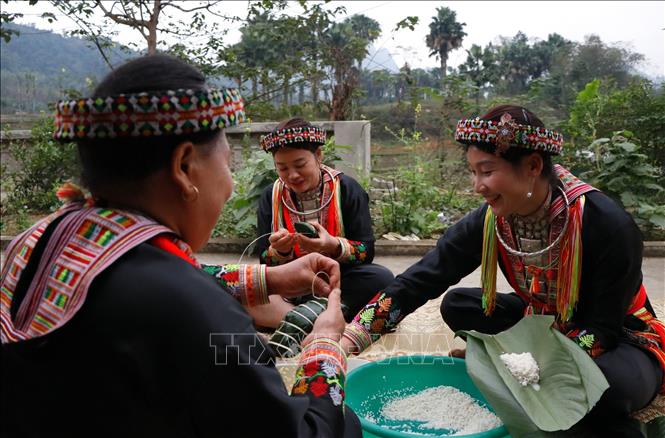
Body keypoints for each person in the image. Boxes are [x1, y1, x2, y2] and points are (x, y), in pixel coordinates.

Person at [1, 55, 361, 437]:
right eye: (227, 164)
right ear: (184, 166)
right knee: (344, 422)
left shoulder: (37, 239)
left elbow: (162, 279)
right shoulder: (193, 306)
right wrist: (323, 344)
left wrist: (268, 278)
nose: (231, 185)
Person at [340, 105, 664, 436]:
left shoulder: (605, 223)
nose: (477, 185)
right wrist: (349, 340)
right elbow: (421, 279)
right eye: (473, 172)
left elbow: (602, 330)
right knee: (458, 304)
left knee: (602, 392)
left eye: (487, 171)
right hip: (540, 323)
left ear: (533, 166)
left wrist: (518, 369)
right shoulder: (491, 219)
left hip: (618, 339)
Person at [252, 118, 394, 354]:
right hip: (293, 284)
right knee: (246, 288)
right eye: (282, 168)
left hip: (339, 281)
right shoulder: (270, 196)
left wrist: (332, 246)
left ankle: (299, 318)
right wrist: (281, 250)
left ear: (318, 156)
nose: (292, 175)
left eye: (300, 164)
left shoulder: (348, 189)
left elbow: (366, 251)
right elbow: (264, 259)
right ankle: (323, 318)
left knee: (381, 278)